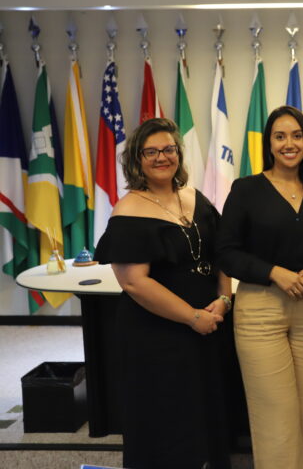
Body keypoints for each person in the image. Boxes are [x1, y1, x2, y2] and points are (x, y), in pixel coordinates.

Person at [94, 118, 232, 469]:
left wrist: (224, 298)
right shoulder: (128, 211)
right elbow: (134, 283)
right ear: (136, 160)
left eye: (169, 149)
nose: (162, 157)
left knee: (204, 414)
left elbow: (222, 252)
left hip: (207, 327)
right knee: (166, 421)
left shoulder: (195, 197)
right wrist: (193, 317)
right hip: (156, 335)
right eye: (151, 152)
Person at [216, 105, 303, 469]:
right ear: (269, 144)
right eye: (280, 136)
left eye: (297, 136)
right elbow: (226, 253)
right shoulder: (246, 189)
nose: (289, 144)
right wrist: (273, 272)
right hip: (260, 311)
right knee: (276, 418)